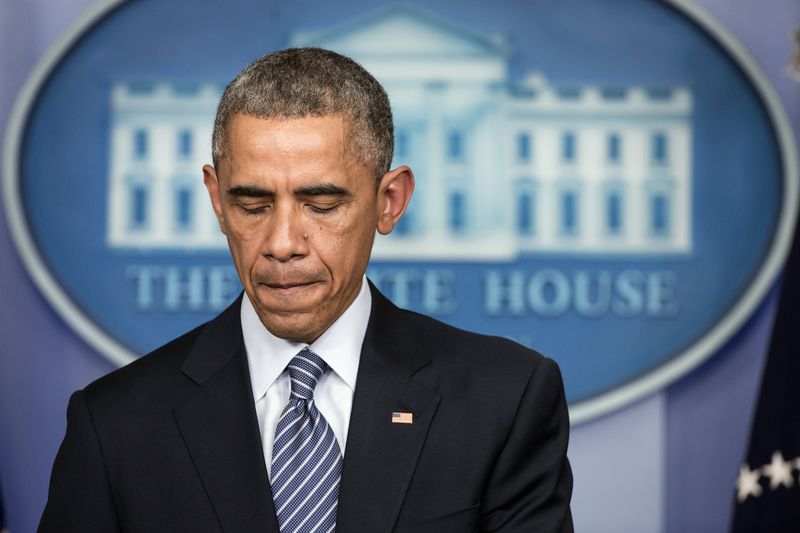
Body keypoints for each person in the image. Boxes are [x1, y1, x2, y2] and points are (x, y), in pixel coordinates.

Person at [39, 47, 573, 532]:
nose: (283, 242)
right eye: (252, 205)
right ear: (217, 201)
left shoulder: (506, 400)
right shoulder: (113, 425)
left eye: (321, 205)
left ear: (389, 201)